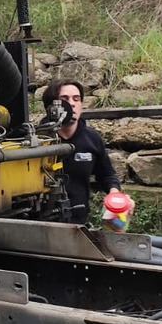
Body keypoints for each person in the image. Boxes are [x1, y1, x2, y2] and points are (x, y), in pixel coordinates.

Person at [41, 79, 122, 224]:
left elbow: (107, 175)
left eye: (76, 99)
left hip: (78, 223)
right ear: (51, 106)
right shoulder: (37, 140)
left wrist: (114, 193)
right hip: (40, 223)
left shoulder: (92, 139)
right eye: (64, 99)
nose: (72, 103)